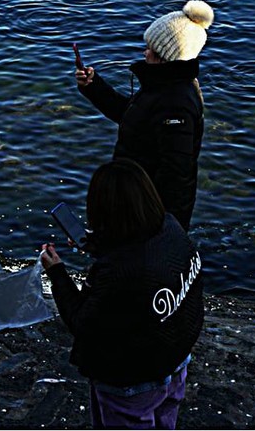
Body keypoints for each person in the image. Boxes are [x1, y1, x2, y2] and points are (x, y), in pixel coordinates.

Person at [40, 159, 204, 430]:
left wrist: (57, 273)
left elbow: (83, 323)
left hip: (133, 380)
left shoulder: (118, 274)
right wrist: (98, 244)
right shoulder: (172, 228)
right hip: (175, 357)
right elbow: (141, 253)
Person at [75, 0, 214, 229]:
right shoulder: (163, 86)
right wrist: (94, 86)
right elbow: (132, 117)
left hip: (145, 211)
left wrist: (166, 230)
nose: (145, 52)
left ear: (166, 56)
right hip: (134, 199)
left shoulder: (176, 102)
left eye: (151, 48)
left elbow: (177, 174)